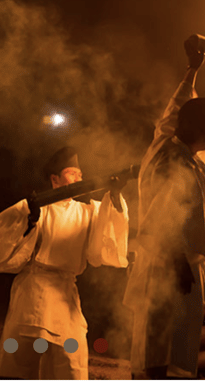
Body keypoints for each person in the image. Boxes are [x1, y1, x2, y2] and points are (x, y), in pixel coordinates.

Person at [123, 41, 205, 379]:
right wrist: (177, 260)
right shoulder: (167, 157)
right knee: (155, 355)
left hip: (188, 271)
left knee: (181, 358)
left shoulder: (191, 160)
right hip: (164, 269)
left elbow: (174, 110)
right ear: (191, 129)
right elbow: (162, 220)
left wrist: (193, 70)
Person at [0, 146, 129, 380]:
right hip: (33, 293)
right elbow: (7, 235)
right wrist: (28, 221)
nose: (78, 178)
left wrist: (115, 194)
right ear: (55, 179)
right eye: (72, 173)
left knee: (71, 360)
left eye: (80, 174)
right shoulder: (38, 205)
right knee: (20, 361)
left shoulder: (88, 211)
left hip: (65, 296)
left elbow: (109, 224)